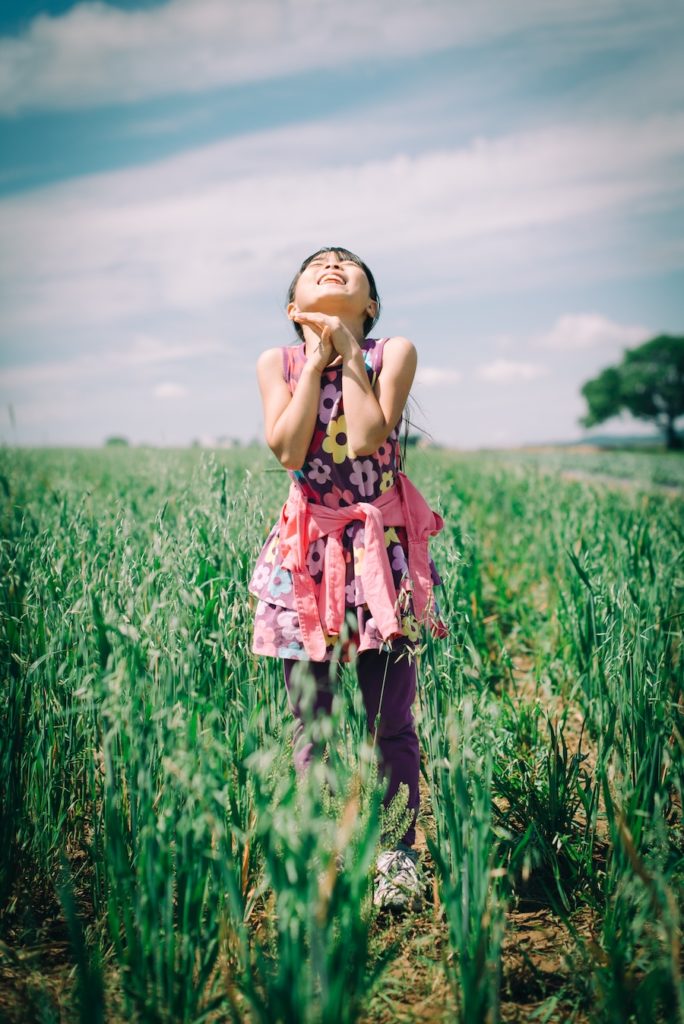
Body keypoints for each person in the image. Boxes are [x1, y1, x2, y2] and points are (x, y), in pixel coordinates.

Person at [248, 246, 447, 911]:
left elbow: (365, 436)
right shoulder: (275, 364)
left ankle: (396, 856)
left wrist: (348, 354)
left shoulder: (393, 352)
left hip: (379, 563)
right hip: (305, 561)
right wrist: (316, 359)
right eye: (317, 265)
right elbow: (287, 448)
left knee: (389, 721)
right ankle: (324, 855)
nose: (332, 264)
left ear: (372, 306)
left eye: (347, 266)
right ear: (293, 306)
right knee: (315, 725)